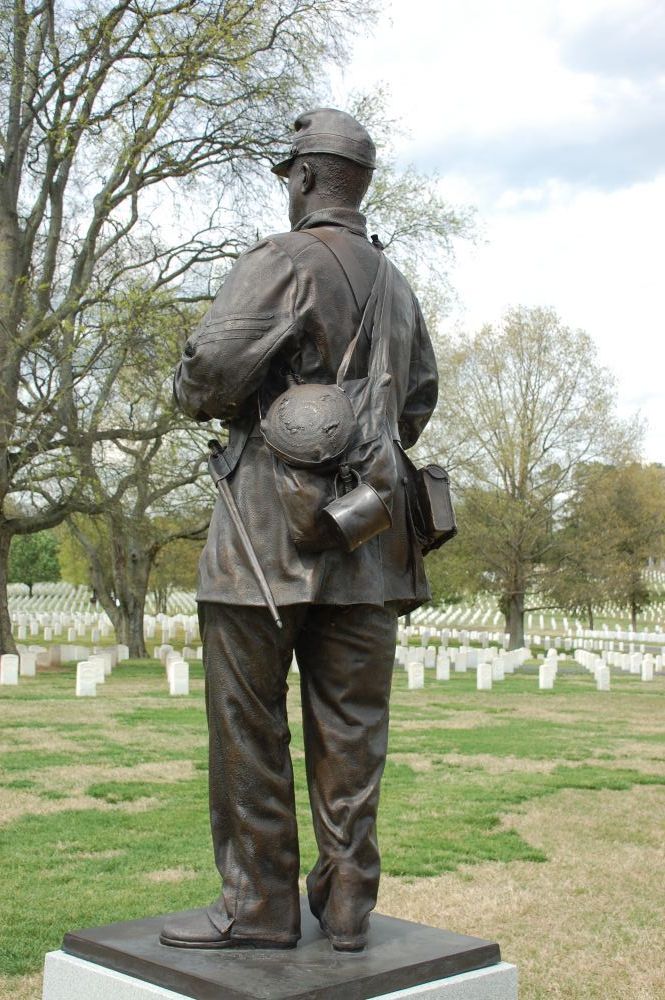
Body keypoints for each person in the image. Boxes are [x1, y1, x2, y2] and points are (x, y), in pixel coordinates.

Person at [161, 109, 438, 953]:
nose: (287, 189)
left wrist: (191, 380)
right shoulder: (395, 283)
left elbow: (208, 376)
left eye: (289, 176)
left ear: (307, 178)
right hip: (371, 536)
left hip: (262, 540)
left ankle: (260, 907)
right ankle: (348, 902)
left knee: (248, 726)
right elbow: (417, 398)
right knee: (354, 730)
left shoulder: (277, 262)